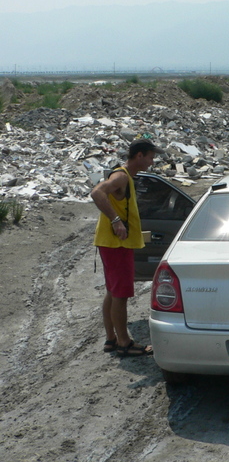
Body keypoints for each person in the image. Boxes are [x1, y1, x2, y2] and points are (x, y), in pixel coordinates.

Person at [91, 138, 163, 357]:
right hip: (116, 244)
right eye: (150, 157)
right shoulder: (121, 176)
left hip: (111, 243)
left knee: (113, 292)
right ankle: (124, 343)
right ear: (139, 155)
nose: (152, 162)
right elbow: (97, 193)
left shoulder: (127, 178)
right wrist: (115, 220)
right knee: (120, 295)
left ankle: (111, 340)